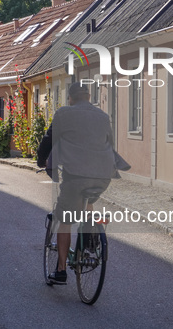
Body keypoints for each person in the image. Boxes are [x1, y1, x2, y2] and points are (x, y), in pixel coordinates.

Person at [37, 82, 118, 285]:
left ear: (71, 98)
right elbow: (110, 143)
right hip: (103, 176)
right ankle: (90, 239)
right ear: (89, 97)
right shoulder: (102, 116)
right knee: (87, 199)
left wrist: (41, 160)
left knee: (65, 219)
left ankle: (61, 269)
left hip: (76, 176)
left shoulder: (65, 113)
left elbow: (49, 139)